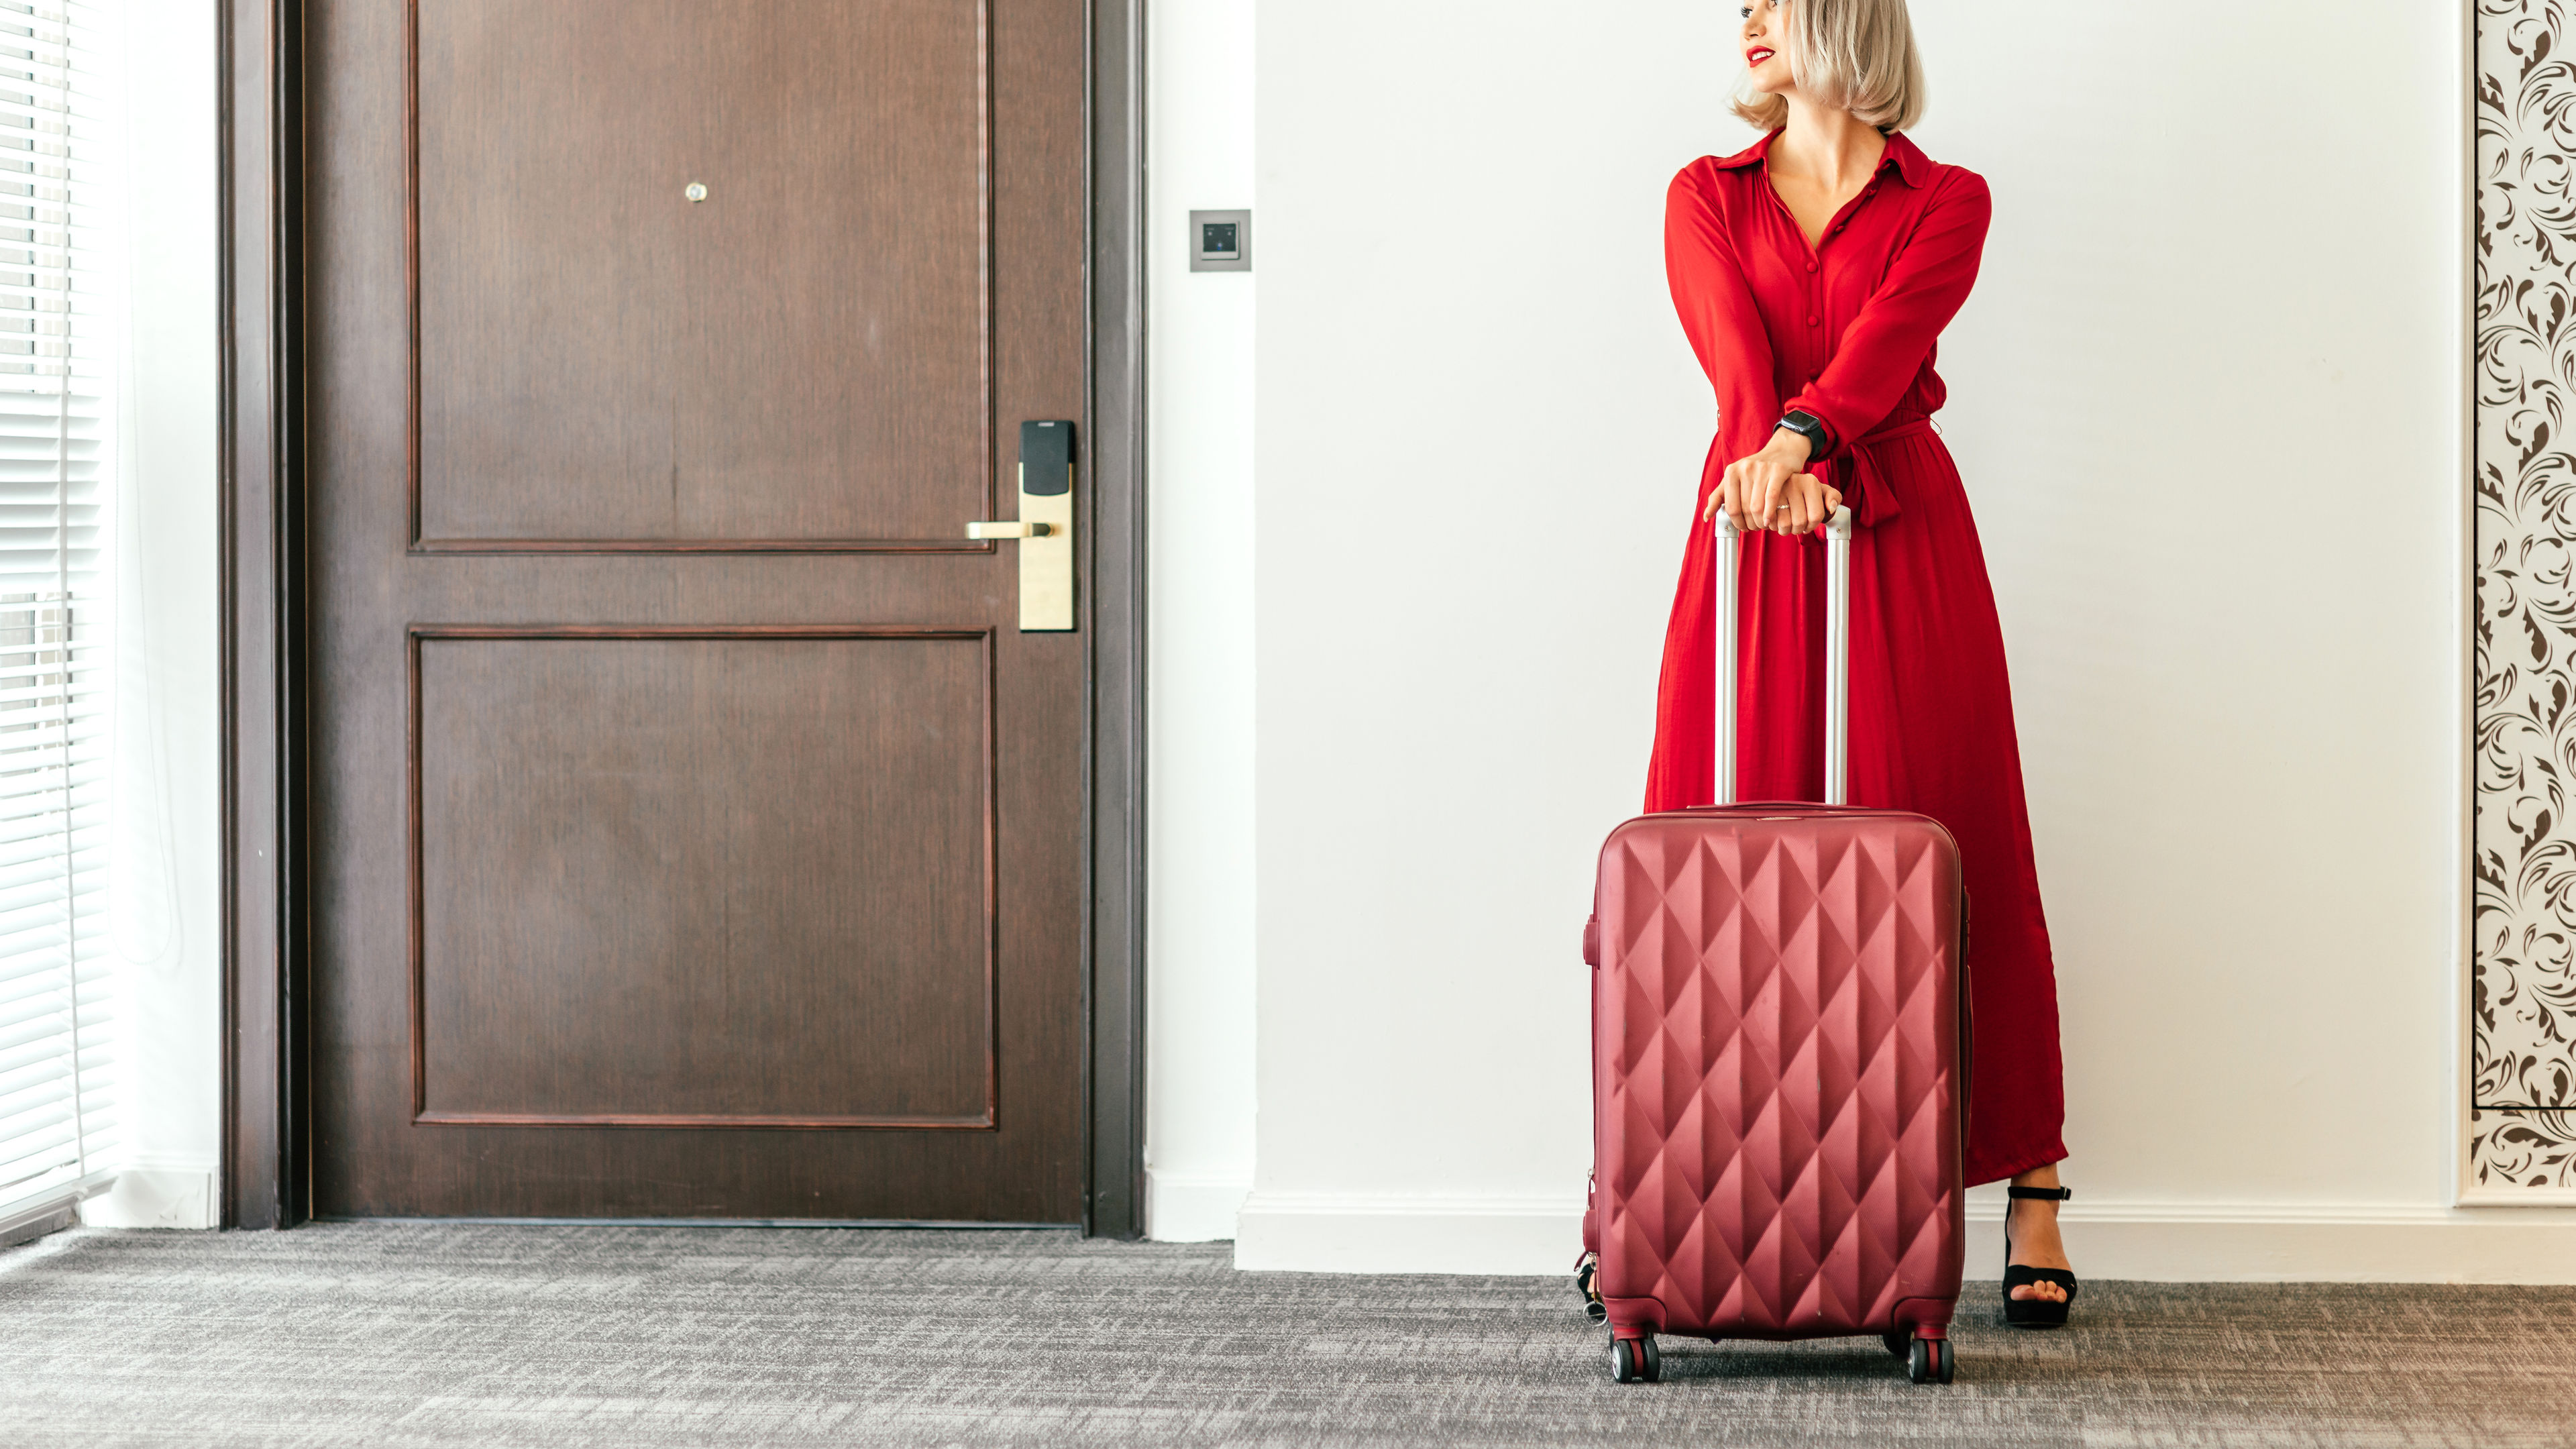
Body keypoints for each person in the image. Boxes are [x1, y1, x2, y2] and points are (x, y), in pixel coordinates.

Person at [1644, 0, 2078, 1326]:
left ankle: (2036, 1179)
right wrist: (1773, 454)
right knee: (1709, 850)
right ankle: (1651, 1195)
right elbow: (1732, 355)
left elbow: (1889, 348)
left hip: (1895, 529)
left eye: (1779, 0)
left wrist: (1807, 437)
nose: (1752, 21)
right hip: (1756, 526)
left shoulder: (1948, 199)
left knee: (1953, 835)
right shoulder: (1703, 194)